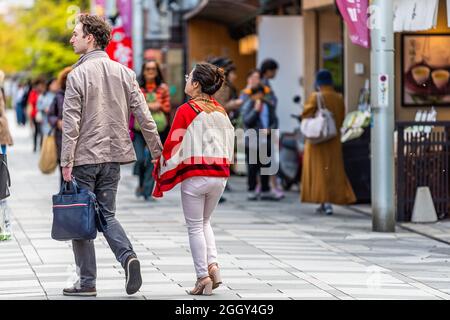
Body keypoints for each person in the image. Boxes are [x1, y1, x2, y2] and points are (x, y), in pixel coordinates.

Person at [60, 14, 162, 297]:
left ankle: (87, 282)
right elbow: (145, 117)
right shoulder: (125, 73)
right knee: (107, 214)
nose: (72, 39)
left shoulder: (77, 75)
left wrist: (66, 161)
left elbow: (71, 124)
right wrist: (157, 152)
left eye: (76, 33)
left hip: (83, 158)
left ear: (90, 37)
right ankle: (128, 257)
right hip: (113, 156)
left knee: (81, 217)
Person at [153, 62, 234, 296]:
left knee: (195, 226)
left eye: (189, 77)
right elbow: (229, 145)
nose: (187, 79)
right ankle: (214, 267)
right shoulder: (221, 111)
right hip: (219, 176)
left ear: (196, 84)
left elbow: (173, 145)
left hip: (196, 176)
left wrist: (161, 166)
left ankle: (203, 277)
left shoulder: (187, 110)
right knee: (205, 222)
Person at [300, 69, 356, 215]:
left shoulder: (316, 96)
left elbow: (305, 114)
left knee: (318, 172)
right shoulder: (338, 97)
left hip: (317, 141)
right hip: (333, 141)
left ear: (318, 82)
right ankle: (328, 202)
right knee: (331, 171)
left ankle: (322, 201)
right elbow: (342, 117)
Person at [130, 60, 171, 200]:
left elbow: (167, 107)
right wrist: (150, 105)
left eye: (153, 68)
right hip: (139, 130)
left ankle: (147, 191)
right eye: (148, 69)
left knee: (154, 160)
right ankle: (141, 185)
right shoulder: (137, 88)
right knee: (140, 159)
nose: (150, 71)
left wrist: (157, 106)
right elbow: (132, 106)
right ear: (144, 70)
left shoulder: (163, 88)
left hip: (158, 129)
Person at [241, 77, 280, 201]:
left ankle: (265, 190)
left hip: (265, 139)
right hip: (252, 139)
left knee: (265, 165)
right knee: (252, 166)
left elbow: (275, 120)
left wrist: (270, 129)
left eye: (261, 94)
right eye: (257, 94)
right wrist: (255, 111)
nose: (259, 96)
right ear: (252, 95)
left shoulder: (269, 105)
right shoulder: (248, 105)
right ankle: (252, 190)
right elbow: (247, 121)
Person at [259, 59, 284, 200]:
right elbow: (266, 106)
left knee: (266, 157)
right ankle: (272, 186)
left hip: (266, 125)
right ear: (268, 71)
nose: (275, 73)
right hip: (266, 126)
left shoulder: (264, 84)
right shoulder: (263, 85)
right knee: (270, 158)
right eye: (274, 70)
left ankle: (265, 186)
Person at [48, 67, 72, 187]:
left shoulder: (81, 93)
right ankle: (64, 193)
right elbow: (51, 114)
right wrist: (57, 122)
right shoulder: (58, 96)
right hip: (61, 137)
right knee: (62, 166)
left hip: (78, 138)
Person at [27, 77, 46, 153]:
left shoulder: (45, 93)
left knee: (42, 131)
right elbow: (30, 104)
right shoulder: (33, 93)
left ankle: (41, 146)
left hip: (44, 115)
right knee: (36, 131)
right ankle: (35, 146)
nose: (40, 87)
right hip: (35, 114)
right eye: (38, 85)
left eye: (41, 85)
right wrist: (30, 118)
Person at [0, 70, 13, 156]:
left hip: (2, 119)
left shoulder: (1, 89)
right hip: (1, 119)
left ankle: (3, 162)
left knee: (3, 141)